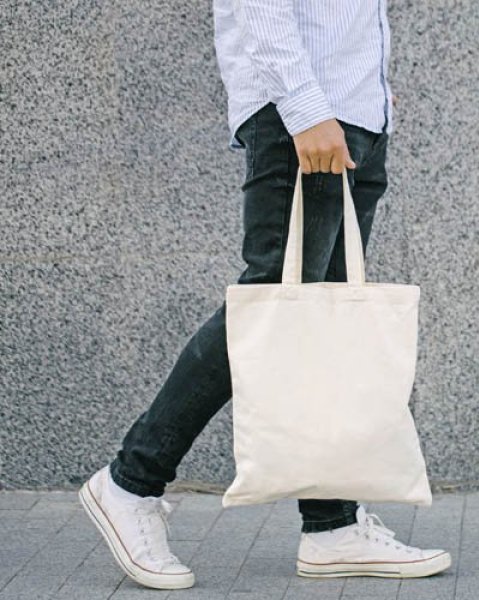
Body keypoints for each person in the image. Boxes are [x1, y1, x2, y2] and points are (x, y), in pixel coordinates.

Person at [76, 0, 450, 590]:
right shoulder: (304, 111)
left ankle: (331, 527)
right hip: (305, 116)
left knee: (318, 325)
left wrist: (369, 87)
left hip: (353, 113)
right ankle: (130, 483)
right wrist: (306, 106)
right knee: (269, 310)